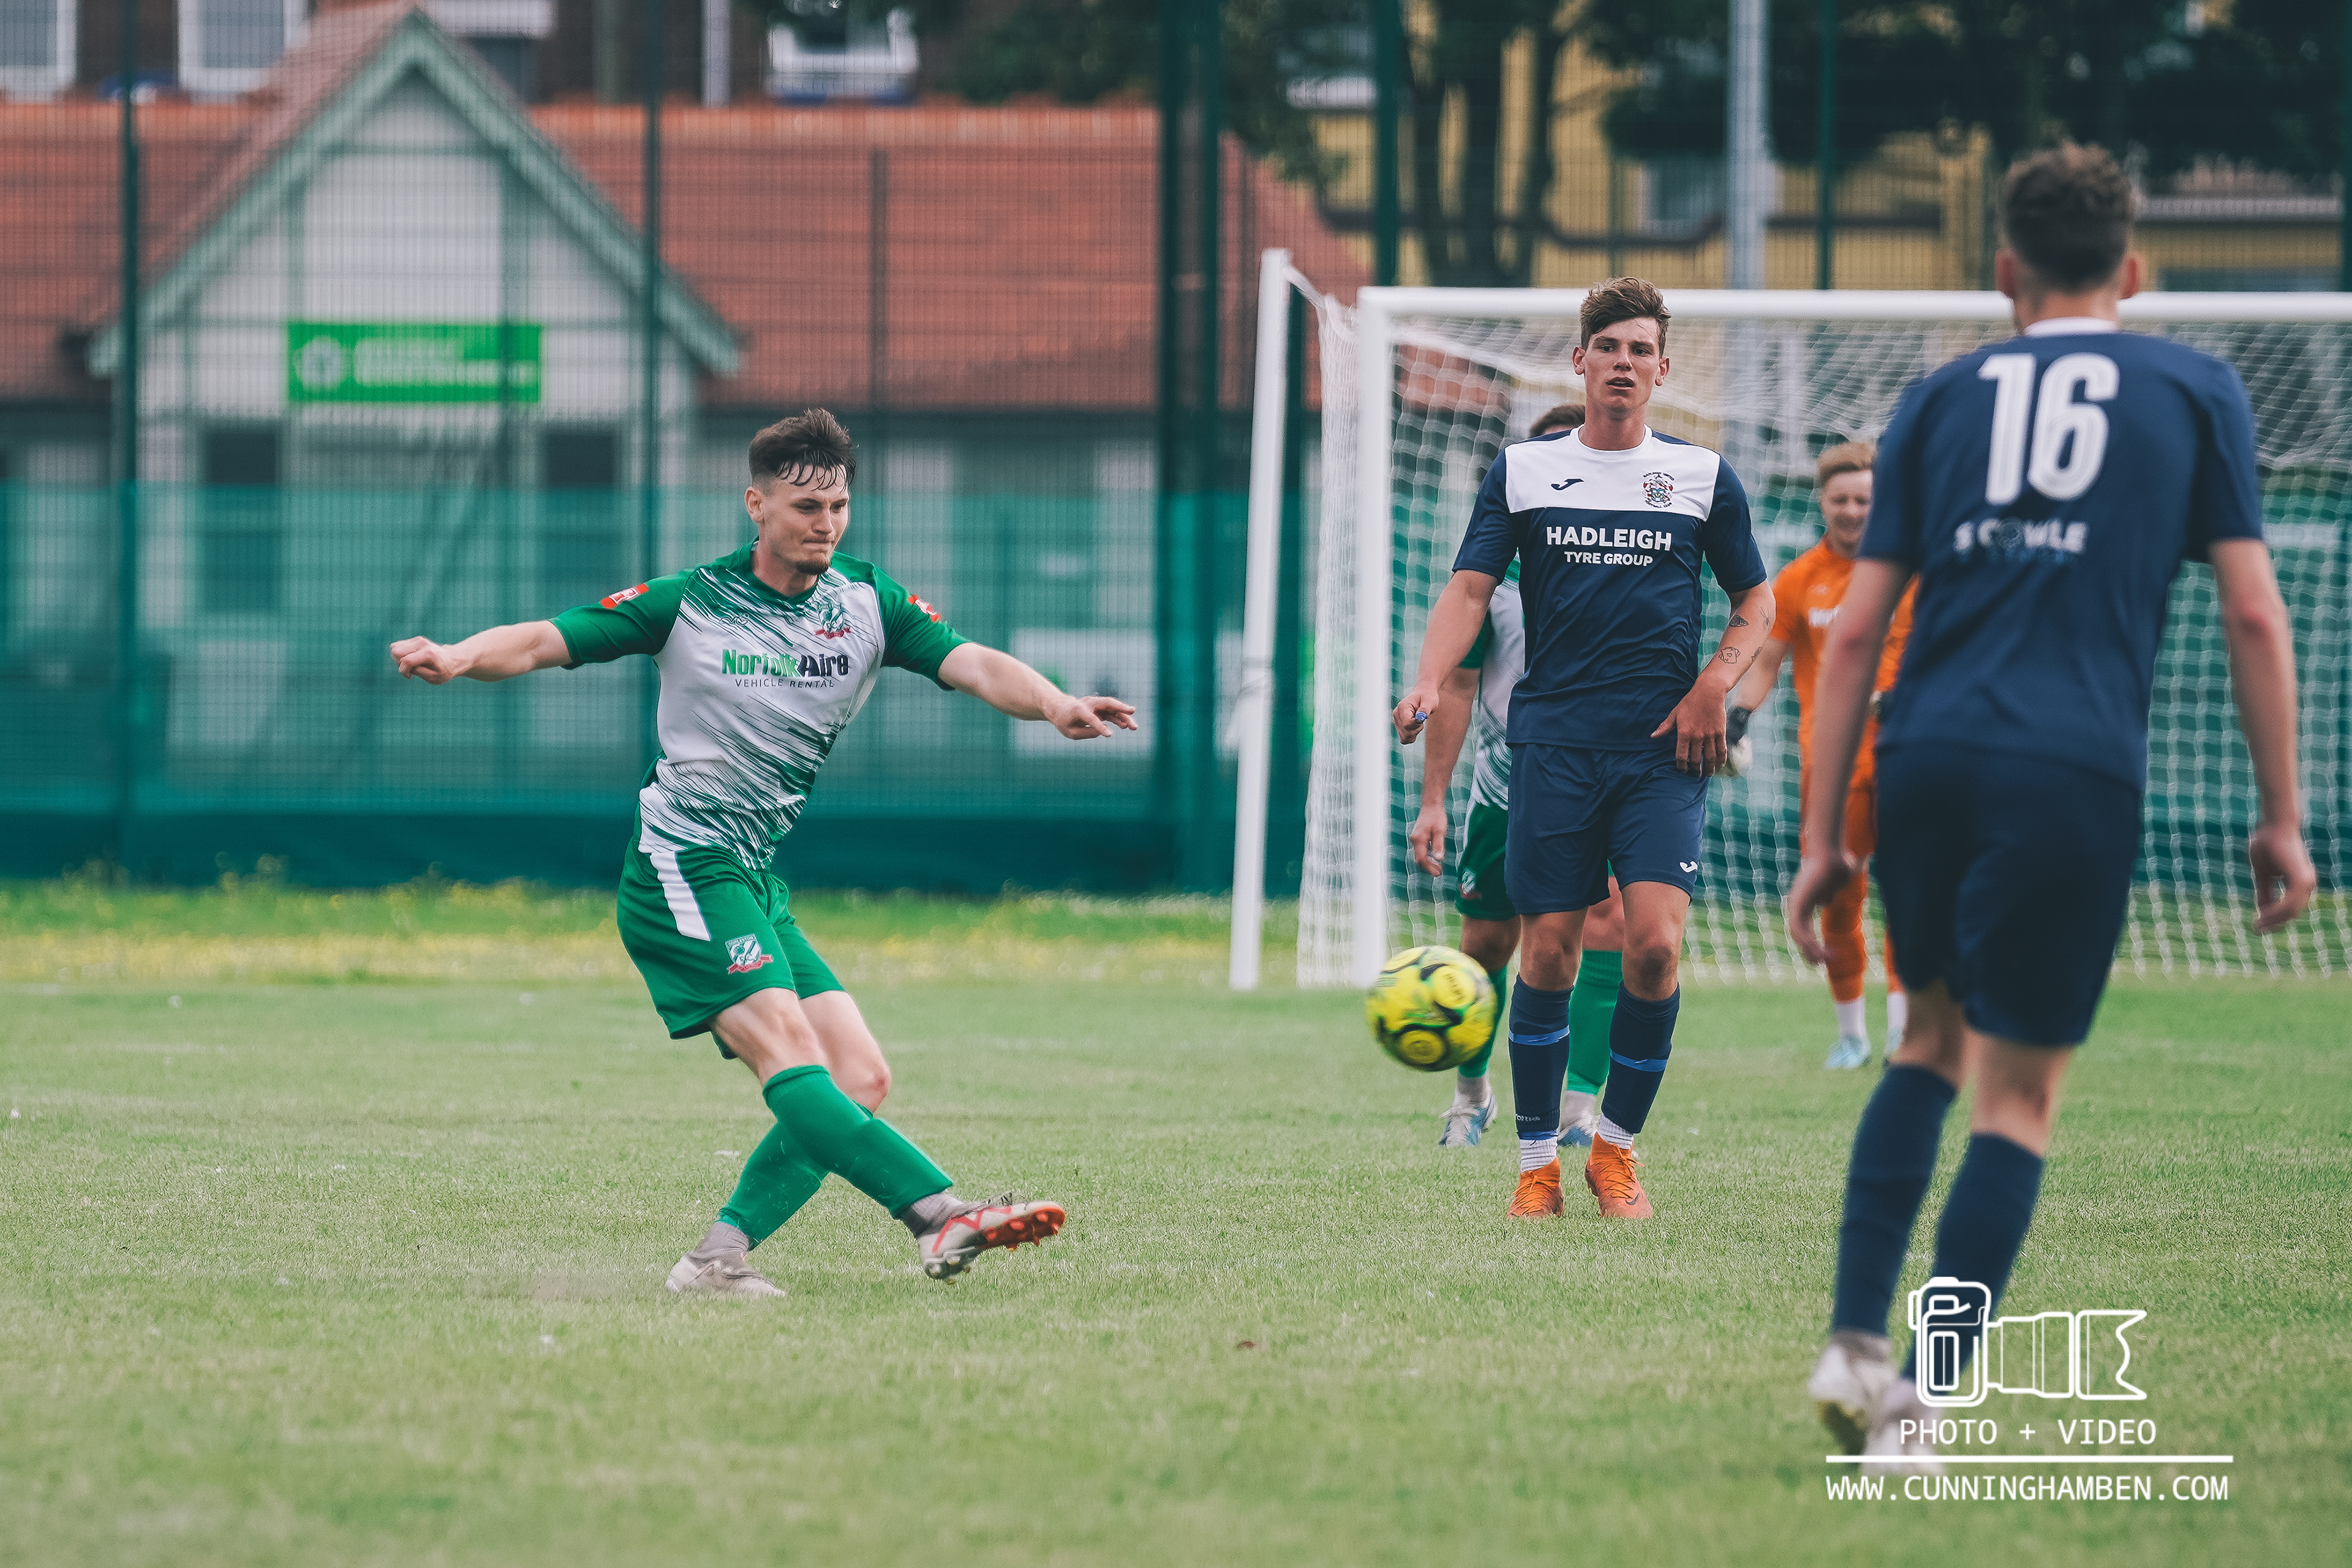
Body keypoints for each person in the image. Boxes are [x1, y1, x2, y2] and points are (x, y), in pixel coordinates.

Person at [1790, 146, 2315, 1464]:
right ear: (2132, 270)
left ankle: (1853, 1341)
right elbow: (2255, 611)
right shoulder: (2194, 388)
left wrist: (1821, 839)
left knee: (1926, 1043)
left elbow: (1851, 641)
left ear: (2004, 272)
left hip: (1925, 753)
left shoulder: (1939, 397)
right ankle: (1917, 1406)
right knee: (2015, 1100)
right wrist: (2281, 813)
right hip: (2070, 766)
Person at [389, 410, 1138, 1297]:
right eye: (806, 507)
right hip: (681, 868)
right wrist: (458, 656)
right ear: (757, 505)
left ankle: (714, 1261)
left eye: (839, 506)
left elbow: (973, 662)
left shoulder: (866, 604)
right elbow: (548, 639)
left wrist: (1053, 704)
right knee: (788, 1049)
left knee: (858, 1075)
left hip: (751, 877)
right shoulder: (691, 601)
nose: (826, 524)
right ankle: (939, 1215)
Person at [1396, 278, 1776, 1220]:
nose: (1623, 363)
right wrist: (1427, 679)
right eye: (1608, 347)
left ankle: (1614, 1152)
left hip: (1660, 755)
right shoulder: (1524, 471)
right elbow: (1470, 590)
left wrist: (1714, 685)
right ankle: (1537, 1167)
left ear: (1662, 369)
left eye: (1640, 349)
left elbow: (1756, 601)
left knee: (1654, 947)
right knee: (1549, 955)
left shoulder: (1701, 475)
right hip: (1553, 749)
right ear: (1579, 361)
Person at [1409, 401, 1629, 1152]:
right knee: (1485, 943)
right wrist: (1433, 800)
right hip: (1509, 781)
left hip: (1605, 775)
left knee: (1609, 926)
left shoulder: (1633, 560)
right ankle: (1471, 1096)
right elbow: (1458, 686)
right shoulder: (1495, 576)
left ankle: (1580, 1107)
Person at [1725, 443, 1917, 1069]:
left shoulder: (1912, 573)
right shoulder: (1800, 578)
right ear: (1823, 503)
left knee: (1910, 893)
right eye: (1842, 499)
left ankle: (1903, 1031)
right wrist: (1738, 714)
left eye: (1865, 499)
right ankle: (1851, 1035)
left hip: (1908, 759)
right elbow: (1768, 663)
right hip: (1831, 768)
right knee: (1839, 895)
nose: (1853, 510)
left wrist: (1907, 695)